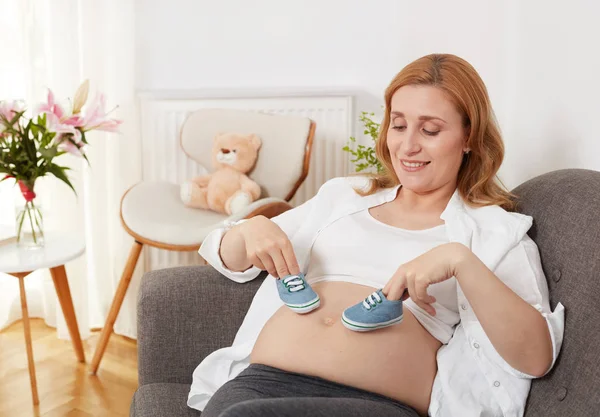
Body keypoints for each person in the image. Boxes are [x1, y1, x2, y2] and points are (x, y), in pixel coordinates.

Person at [188, 53, 565, 417]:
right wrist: (251, 229)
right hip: (259, 384)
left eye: (430, 130)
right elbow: (227, 258)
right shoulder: (343, 196)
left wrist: (459, 261)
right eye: (399, 125)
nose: (408, 145)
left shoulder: (495, 233)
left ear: (469, 137)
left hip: (374, 403)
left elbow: (535, 358)